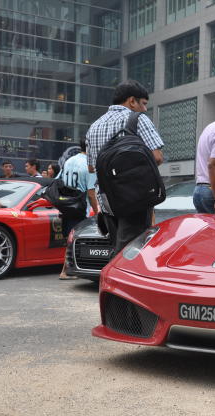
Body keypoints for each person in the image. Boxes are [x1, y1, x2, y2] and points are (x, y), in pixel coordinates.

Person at [86, 80, 164, 256]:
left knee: (118, 246)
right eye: (143, 104)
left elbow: (91, 168)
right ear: (131, 101)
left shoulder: (94, 126)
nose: (144, 109)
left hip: (106, 200)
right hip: (133, 197)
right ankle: (114, 281)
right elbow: (157, 157)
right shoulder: (137, 119)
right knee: (131, 253)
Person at [58, 140, 99, 280]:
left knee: (68, 237)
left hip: (65, 203)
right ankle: (65, 271)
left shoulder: (69, 161)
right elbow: (91, 193)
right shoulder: (89, 165)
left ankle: (66, 270)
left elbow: (58, 180)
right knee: (75, 238)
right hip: (79, 205)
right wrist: (98, 212)